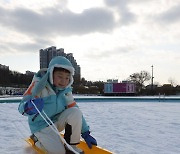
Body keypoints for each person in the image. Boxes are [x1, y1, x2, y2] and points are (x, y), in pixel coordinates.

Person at [18, 56, 97, 154]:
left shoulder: (66, 92)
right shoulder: (39, 86)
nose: (64, 81)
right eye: (60, 76)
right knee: (59, 152)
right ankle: (37, 140)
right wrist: (28, 107)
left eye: (67, 78)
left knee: (75, 111)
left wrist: (85, 132)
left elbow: (76, 111)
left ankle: (71, 146)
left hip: (56, 123)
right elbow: (21, 107)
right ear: (51, 74)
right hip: (41, 126)